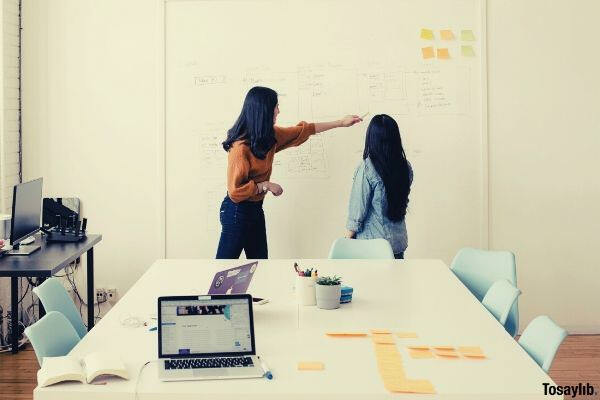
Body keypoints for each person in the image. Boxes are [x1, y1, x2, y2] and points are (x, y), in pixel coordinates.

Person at [216, 86, 362, 259]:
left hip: (255, 209)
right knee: (225, 268)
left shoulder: (269, 136)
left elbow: (304, 130)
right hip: (235, 211)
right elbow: (235, 192)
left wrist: (340, 122)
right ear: (263, 110)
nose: (278, 110)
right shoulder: (240, 148)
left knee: (260, 265)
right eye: (275, 106)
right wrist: (265, 185)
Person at [345, 114, 413, 259]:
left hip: (371, 247)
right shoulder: (405, 167)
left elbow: (357, 211)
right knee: (394, 282)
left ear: (372, 138)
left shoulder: (367, 168)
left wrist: (346, 242)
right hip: (397, 245)